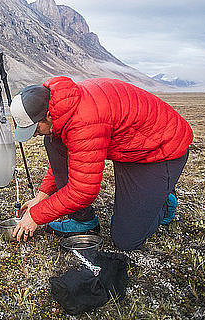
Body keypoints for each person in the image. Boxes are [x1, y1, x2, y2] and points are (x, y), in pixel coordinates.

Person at [10, 77, 193, 251]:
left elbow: (82, 191)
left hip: (160, 150)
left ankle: (164, 199)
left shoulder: (84, 121)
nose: (34, 134)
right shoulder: (63, 107)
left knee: (127, 239)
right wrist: (41, 197)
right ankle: (83, 221)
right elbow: (68, 159)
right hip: (130, 148)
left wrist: (36, 216)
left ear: (48, 115)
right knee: (53, 140)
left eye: (34, 128)